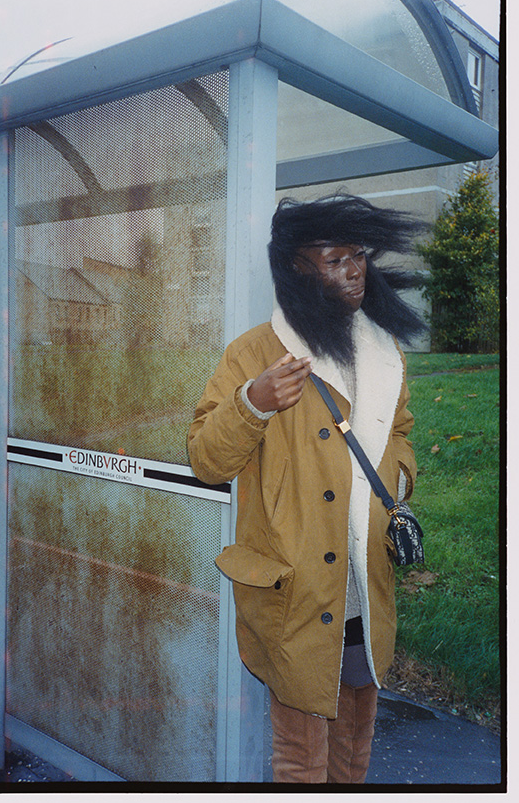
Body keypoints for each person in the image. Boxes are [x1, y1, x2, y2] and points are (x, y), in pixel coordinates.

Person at [187, 194, 426, 784]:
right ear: (297, 268)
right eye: (334, 259)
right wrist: (253, 403)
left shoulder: (384, 352)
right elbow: (205, 462)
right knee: (300, 757)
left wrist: (395, 480)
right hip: (295, 591)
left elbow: (401, 433)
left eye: (357, 256)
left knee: (354, 744)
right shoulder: (253, 352)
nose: (352, 271)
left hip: (363, 587)